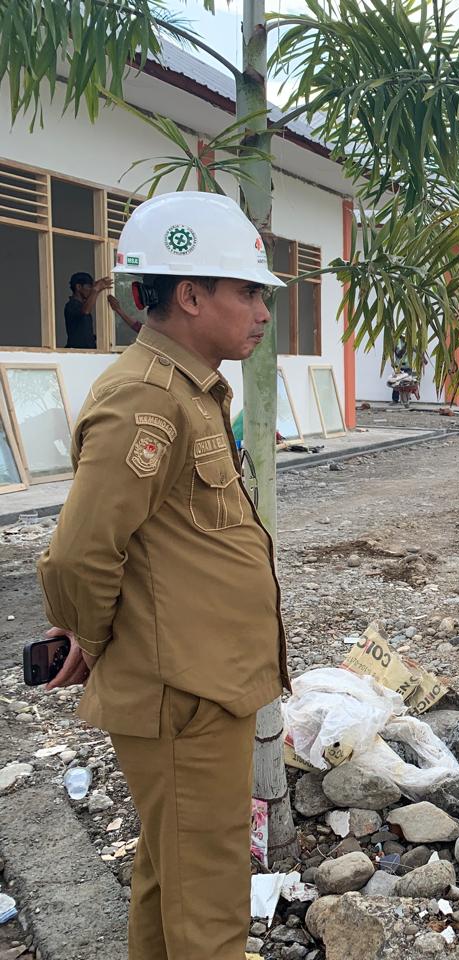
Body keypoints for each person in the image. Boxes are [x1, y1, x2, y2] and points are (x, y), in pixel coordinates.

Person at [38, 191, 290, 960]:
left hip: (204, 682)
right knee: (207, 906)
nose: (261, 311)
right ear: (189, 294)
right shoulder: (148, 398)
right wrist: (90, 635)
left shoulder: (189, 390)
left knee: (167, 879)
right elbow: (82, 552)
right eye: (247, 291)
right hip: (183, 692)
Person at [64, 271, 142, 349]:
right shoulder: (71, 305)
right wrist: (96, 289)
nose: (91, 290)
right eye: (89, 287)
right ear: (78, 287)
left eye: (92, 287)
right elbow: (85, 311)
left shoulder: (82, 305)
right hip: (77, 353)